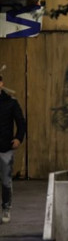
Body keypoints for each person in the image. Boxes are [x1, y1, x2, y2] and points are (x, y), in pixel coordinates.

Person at [0, 74, 26, 224]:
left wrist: (18, 138)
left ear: (1, 83)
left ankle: (6, 208)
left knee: (6, 181)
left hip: (5, 148)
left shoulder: (11, 102)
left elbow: (21, 122)